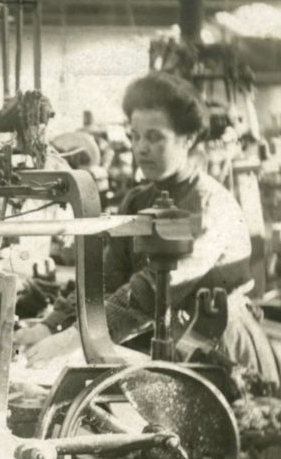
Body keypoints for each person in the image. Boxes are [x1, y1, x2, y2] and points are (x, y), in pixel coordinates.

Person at [17, 72, 280, 386]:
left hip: (220, 349)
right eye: (135, 136)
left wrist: (74, 338)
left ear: (188, 139)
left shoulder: (208, 205)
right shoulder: (138, 200)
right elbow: (103, 278)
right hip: (170, 344)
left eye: (155, 137)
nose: (141, 148)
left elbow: (154, 288)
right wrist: (51, 325)